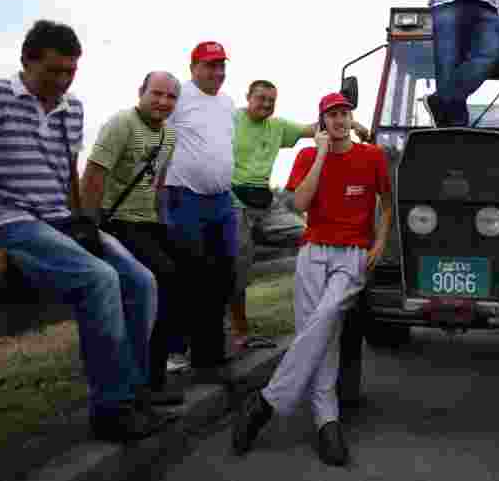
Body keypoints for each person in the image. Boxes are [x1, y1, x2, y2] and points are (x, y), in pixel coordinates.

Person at [0, 21, 167, 442]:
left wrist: (82, 223)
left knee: (141, 281)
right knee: (99, 279)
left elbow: (68, 173)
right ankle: (111, 410)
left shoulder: (72, 108)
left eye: (70, 72)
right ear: (26, 62)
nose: (62, 81)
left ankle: (137, 394)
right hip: (7, 218)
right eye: (53, 71)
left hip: (59, 218)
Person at [232, 92, 393, 467]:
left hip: (352, 254)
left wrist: (381, 241)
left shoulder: (370, 156)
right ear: (322, 121)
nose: (338, 120)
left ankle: (267, 401)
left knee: (324, 318)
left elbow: (387, 202)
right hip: (313, 250)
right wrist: (321, 154)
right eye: (331, 115)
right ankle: (327, 421)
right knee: (320, 334)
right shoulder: (307, 157)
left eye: (344, 114)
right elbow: (299, 205)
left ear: (351, 118)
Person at [229, 80, 370, 355]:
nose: (267, 104)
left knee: (308, 235)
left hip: (266, 205)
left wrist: (353, 125)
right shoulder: (231, 119)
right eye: (261, 99)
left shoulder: (278, 126)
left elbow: (319, 126)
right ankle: (239, 331)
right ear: (248, 98)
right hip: (235, 202)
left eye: (272, 100)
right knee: (239, 263)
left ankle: (324, 302)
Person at [80, 71, 187, 407]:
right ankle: (145, 381)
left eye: (171, 97)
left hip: (148, 223)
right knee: (162, 279)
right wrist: (88, 228)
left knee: (189, 271)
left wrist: (162, 224)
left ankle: (156, 373)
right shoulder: (121, 124)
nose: (163, 102)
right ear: (141, 92)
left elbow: (157, 185)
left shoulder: (169, 135)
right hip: (116, 222)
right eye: (156, 94)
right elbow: (94, 174)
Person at [161, 41, 241, 382]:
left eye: (222, 65)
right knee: (187, 273)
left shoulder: (227, 103)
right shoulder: (179, 97)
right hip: (185, 196)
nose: (218, 72)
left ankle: (209, 354)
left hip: (222, 199)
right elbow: (157, 134)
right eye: (210, 65)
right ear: (193, 67)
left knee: (223, 274)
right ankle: (175, 350)